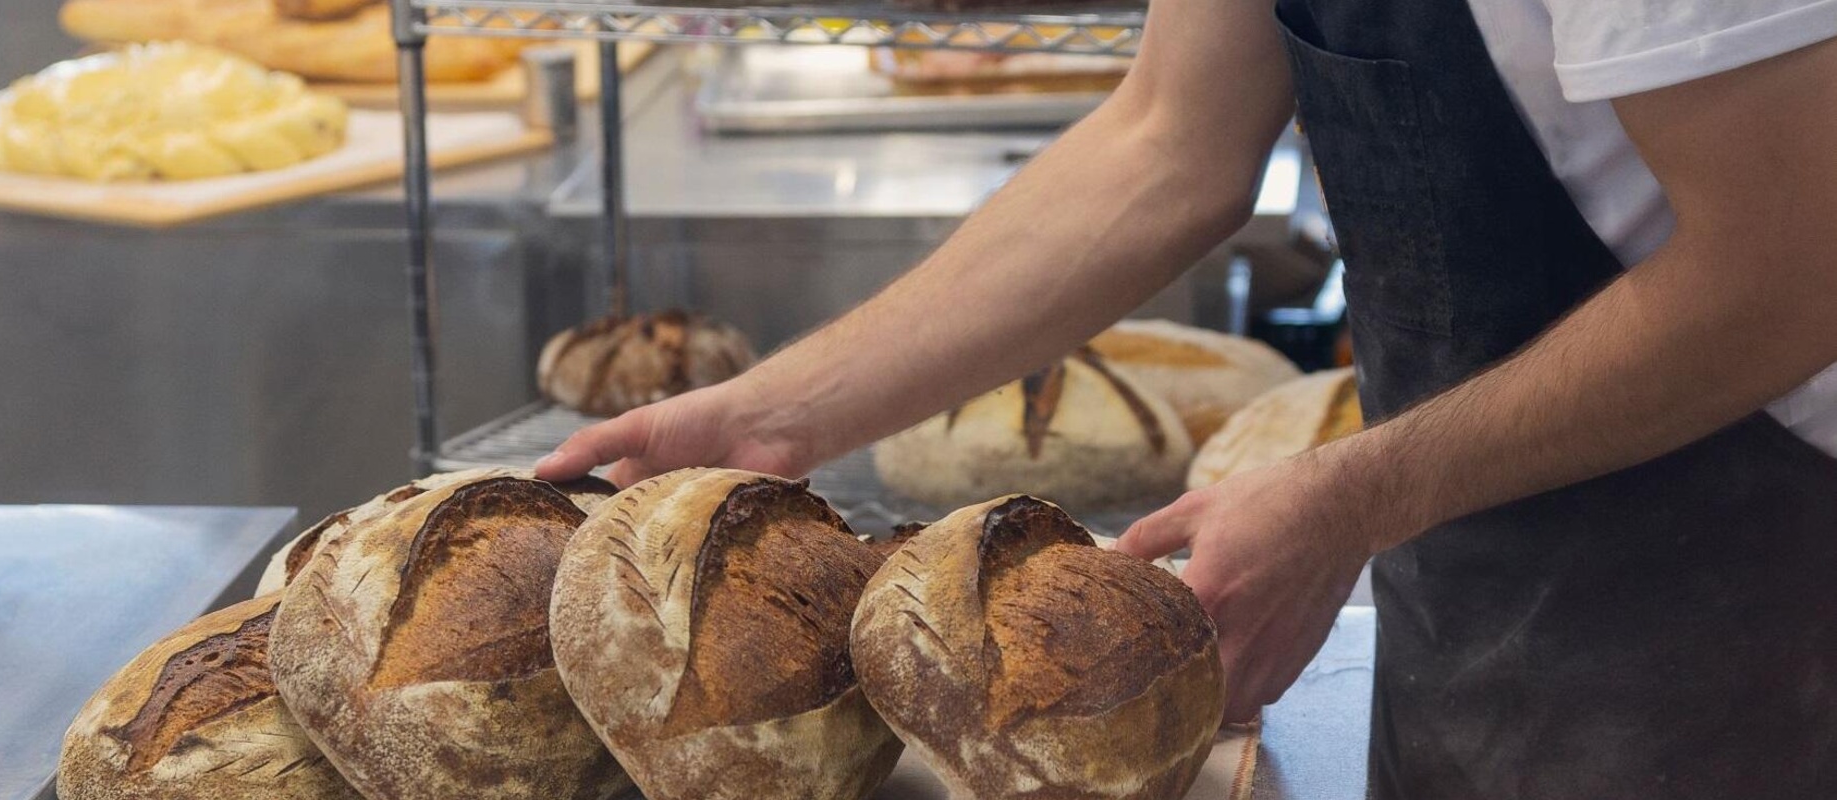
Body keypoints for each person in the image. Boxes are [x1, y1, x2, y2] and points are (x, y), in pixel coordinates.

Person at [537, 0, 1837, 795]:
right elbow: (1169, 138)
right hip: (1486, 583)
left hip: (1760, 603)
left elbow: (1790, 271)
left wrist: (1345, 497)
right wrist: (780, 415)